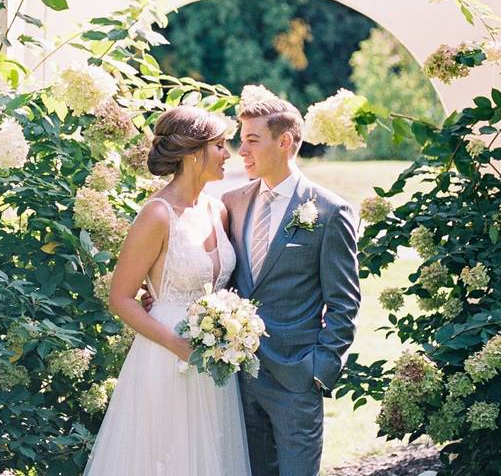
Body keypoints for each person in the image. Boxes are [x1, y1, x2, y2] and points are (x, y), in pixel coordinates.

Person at [83, 105, 251, 476]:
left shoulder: (215, 209)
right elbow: (121, 297)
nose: (228, 154)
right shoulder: (157, 214)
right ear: (194, 154)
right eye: (220, 145)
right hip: (166, 357)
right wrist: (177, 345)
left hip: (213, 362)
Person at [223, 94, 360, 476]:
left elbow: (344, 302)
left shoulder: (330, 211)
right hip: (237, 378)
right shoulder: (232, 203)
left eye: (252, 140)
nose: (241, 151)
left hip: (296, 378)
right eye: (240, 139)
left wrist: (320, 368)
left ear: (284, 142)